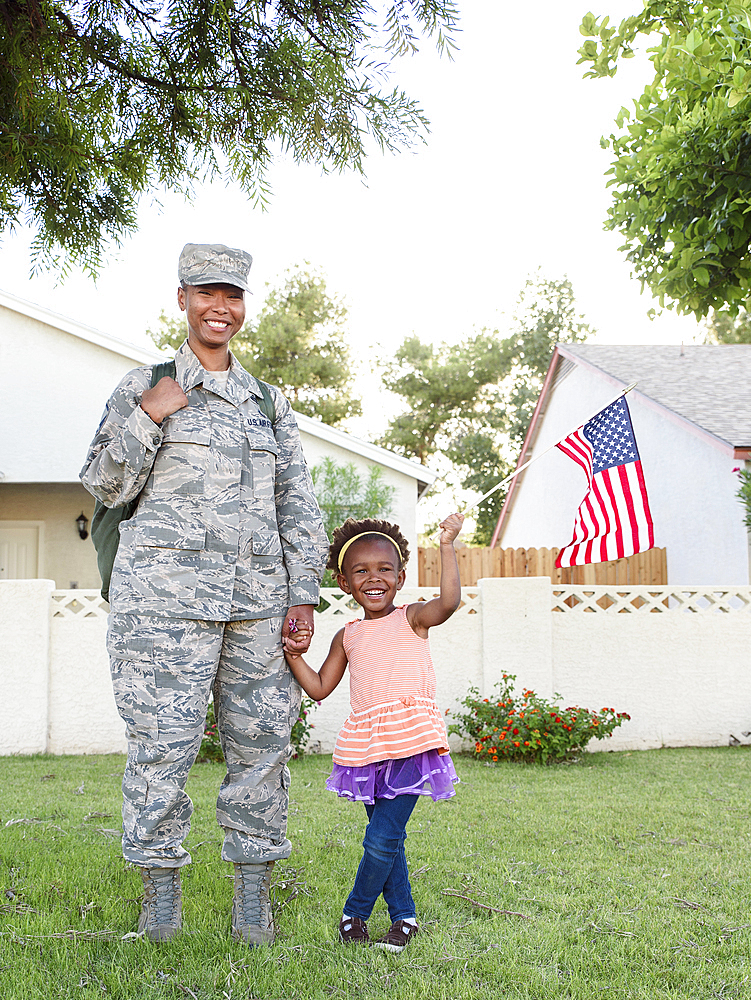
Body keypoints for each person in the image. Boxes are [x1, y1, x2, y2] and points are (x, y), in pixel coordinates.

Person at [80, 243, 328, 945]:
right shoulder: (144, 385)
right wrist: (149, 418)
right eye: (206, 294)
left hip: (255, 605)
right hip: (161, 610)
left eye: (233, 296)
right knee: (160, 750)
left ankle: (252, 899)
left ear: (243, 307)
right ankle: (161, 900)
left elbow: (297, 503)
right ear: (182, 299)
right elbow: (103, 487)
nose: (221, 308)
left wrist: (302, 594)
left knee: (261, 749)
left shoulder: (267, 404)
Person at [283, 511, 464, 952]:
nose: (374, 578)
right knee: (391, 841)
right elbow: (320, 686)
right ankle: (404, 918)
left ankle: (355, 913)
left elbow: (450, 602)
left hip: (411, 746)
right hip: (368, 751)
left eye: (385, 569)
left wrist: (446, 546)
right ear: (344, 583)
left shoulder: (413, 618)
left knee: (381, 837)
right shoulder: (347, 635)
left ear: (400, 577)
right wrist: (292, 656)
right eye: (361, 570)